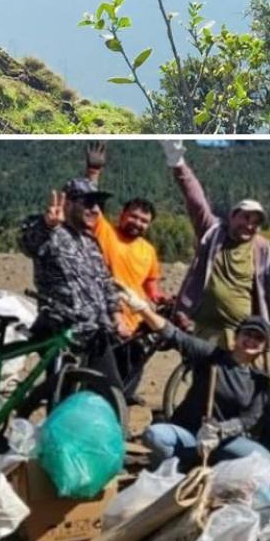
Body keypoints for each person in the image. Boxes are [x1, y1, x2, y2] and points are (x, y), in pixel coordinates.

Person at [166, 141, 270, 345]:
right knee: (203, 375)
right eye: (245, 218)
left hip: (243, 334)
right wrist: (178, 163)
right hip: (206, 330)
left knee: (238, 377)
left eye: (256, 222)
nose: (250, 225)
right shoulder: (213, 231)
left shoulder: (262, 248)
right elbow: (195, 199)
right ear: (232, 216)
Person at [18, 181, 125, 396]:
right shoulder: (49, 231)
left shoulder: (90, 241)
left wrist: (117, 314)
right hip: (61, 330)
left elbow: (105, 281)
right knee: (64, 395)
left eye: (99, 204)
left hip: (95, 332)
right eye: (88, 203)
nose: (95, 210)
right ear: (68, 203)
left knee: (112, 394)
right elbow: (28, 243)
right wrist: (47, 225)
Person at [79, 142, 166, 398]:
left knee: (134, 363)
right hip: (105, 314)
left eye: (144, 221)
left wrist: (160, 300)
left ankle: (124, 399)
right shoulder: (105, 231)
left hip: (135, 321)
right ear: (122, 214)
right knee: (102, 368)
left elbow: (151, 288)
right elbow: (89, 205)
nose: (138, 223)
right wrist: (93, 172)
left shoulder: (148, 250)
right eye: (134, 216)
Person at [144, 315, 270, 466]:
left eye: (258, 338)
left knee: (264, 462)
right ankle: (180, 467)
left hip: (224, 441)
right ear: (236, 337)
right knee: (154, 435)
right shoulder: (211, 355)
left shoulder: (260, 381)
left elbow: (249, 419)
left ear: (264, 347)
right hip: (189, 433)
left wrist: (219, 431)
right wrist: (143, 309)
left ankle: (212, 465)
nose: (251, 340)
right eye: (247, 334)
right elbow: (174, 335)